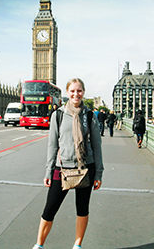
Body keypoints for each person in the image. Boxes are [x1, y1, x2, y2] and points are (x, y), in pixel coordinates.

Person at [33, 78, 104, 249]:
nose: (76, 94)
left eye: (79, 90)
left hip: (86, 167)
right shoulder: (57, 115)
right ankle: (39, 245)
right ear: (67, 92)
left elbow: (96, 146)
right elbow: (52, 145)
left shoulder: (89, 115)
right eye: (72, 91)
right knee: (49, 209)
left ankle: (77, 245)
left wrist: (99, 173)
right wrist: (48, 172)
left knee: (82, 209)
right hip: (62, 168)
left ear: (83, 92)